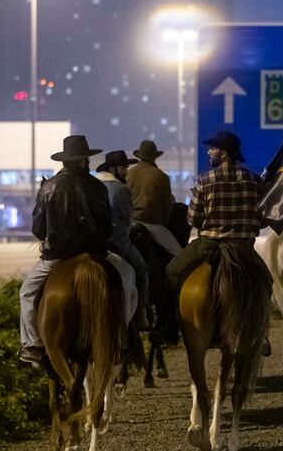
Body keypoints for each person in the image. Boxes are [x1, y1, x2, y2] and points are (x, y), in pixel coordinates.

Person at [160, 131, 270, 355]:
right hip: (243, 248)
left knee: (171, 272)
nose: (208, 151)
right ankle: (262, 335)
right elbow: (262, 217)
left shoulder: (204, 179)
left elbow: (193, 219)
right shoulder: (255, 180)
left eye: (212, 148)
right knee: (266, 282)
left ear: (224, 151)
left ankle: (169, 328)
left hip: (209, 245)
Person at [18, 135, 112, 366]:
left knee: (26, 293)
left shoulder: (49, 187)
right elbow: (107, 228)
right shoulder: (98, 187)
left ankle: (32, 345)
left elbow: (38, 229)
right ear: (83, 161)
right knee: (129, 277)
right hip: (94, 254)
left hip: (56, 256)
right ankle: (123, 335)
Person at [95, 150, 150, 328]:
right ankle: (140, 314)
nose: (126, 171)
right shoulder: (121, 189)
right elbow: (127, 220)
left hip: (94, 241)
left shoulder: (93, 183)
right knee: (141, 270)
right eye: (124, 167)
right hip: (117, 241)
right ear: (114, 168)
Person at [125, 140, 182, 256]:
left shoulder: (128, 174)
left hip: (131, 222)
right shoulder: (161, 176)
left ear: (139, 156)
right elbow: (167, 206)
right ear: (154, 157)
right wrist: (163, 222)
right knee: (179, 255)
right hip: (153, 223)